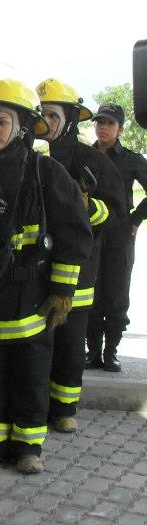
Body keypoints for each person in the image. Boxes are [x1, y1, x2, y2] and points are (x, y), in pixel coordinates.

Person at [0, 79, 91, 474]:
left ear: (23, 127)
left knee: (31, 372)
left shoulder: (47, 173)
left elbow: (74, 235)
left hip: (32, 295)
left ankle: (29, 448)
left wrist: (62, 290)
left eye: (3, 122)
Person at [36, 80, 124, 432]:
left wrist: (89, 209)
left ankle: (65, 409)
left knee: (71, 344)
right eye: (41, 114)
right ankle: (37, 404)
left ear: (70, 118)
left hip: (79, 272)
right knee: (39, 343)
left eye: (52, 115)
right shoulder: (34, 160)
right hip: (38, 269)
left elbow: (116, 211)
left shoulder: (93, 162)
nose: (45, 121)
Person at [88, 103, 147, 372]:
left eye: (109, 123)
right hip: (89, 234)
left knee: (115, 293)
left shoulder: (133, 160)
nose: (103, 127)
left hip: (119, 236)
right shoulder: (84, 156)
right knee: (90, 292)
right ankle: (93, 352)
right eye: (100, 121)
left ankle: (111, 351)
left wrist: (135, 221)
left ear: (120, 129)